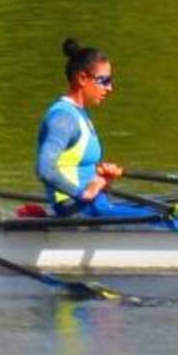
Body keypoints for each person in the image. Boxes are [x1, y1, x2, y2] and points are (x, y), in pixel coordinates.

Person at [36, 37, 149, 219]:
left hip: (91, 205)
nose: (110, 88)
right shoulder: (63, 119)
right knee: (167, 219)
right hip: (74, 208)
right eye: (104, 80)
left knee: (160, 214)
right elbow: (44, 169)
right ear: (82, 78)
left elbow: (76, 166)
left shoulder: (81, 113)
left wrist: (102, 176)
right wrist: (83, 194)